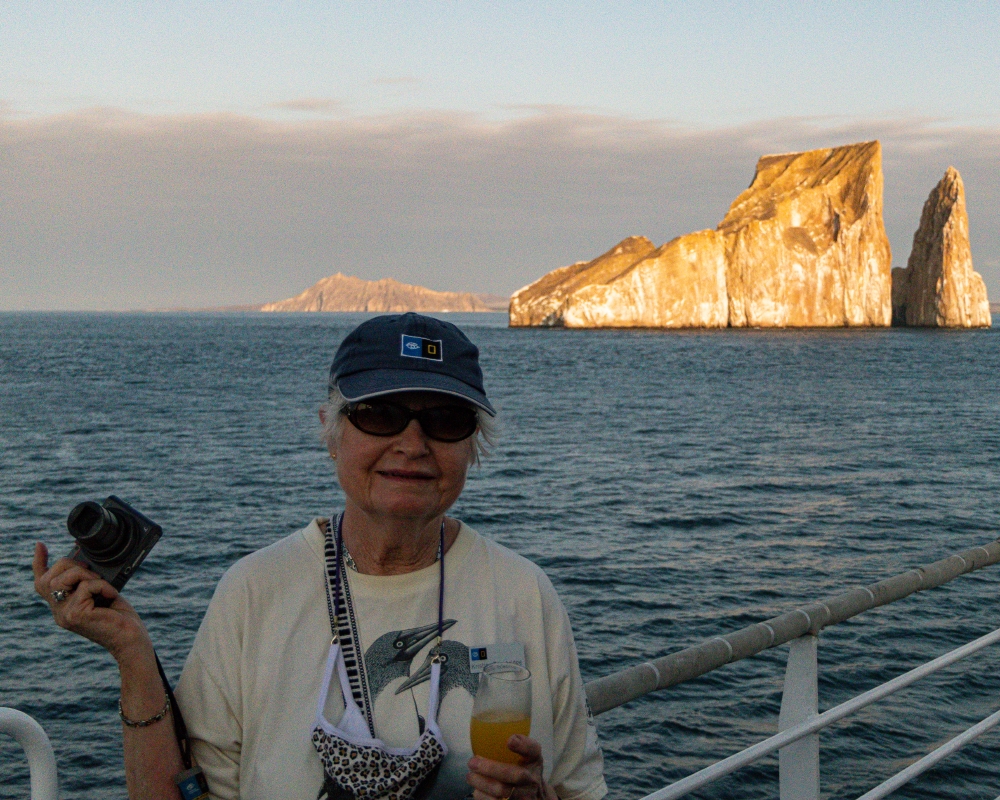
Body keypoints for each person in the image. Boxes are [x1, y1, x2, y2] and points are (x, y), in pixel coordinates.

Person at [33, 312, 607, 800]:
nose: (412, 444)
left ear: (473, 445)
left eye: (446, 421)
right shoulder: (255, 591)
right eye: (379, 414)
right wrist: (133, 656)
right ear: (331, 433)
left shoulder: (524, 593)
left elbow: (580, 788)